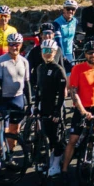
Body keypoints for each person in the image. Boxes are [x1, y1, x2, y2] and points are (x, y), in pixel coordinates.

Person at [64, 41, 94, 176]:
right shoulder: (77, 69)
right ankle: (64, 169)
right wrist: (82, 111)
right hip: (81, 109)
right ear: (85, 54)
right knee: (73, 140)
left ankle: (87, 161)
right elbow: (74, 93)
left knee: (92, 138)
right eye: (90, 52)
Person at [0, 33, 31, 159]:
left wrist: (29, 103)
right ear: (8, 45)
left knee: (15, 130)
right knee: (3, 131)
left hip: (18, 99)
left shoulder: (24, 61)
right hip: (4, 98)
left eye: (17, 44)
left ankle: (10, 154)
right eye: (11, 44)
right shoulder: (1, 61)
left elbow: (27, 84)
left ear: (21, 45)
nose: (14, 47)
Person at [34, 40, 68, 177]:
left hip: (55, 108)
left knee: (55, 138)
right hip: (44, 107)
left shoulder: (58, 70)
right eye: (44, 51)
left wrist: (57, 111)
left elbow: (61, 95)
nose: (47, 54)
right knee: (45, 135)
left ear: (55, 53)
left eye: (50, 51)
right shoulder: (40, 68)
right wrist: (35, 107)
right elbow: (38, 90)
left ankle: (56, 165)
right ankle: (49, 160)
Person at [53, 0, 80, 67]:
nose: (70, 11)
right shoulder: (57, 23)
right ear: (64, 9)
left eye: (73, 9)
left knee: (71, 74)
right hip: (58, 53)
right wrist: (63, 56)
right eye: (68, 9)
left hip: (69, 52)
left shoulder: (75, 21)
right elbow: (58, 41)